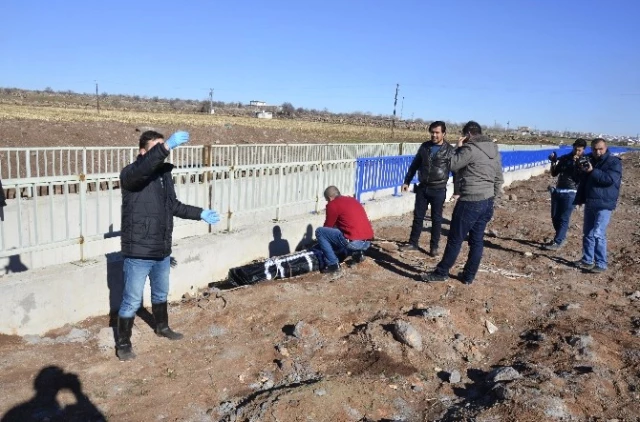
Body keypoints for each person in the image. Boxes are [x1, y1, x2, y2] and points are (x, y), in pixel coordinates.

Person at [116, 130, 221, 361]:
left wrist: (199, 213)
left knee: (161, 293)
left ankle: (162, 327)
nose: (163, 153)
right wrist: (165, 148)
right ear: (142, 152)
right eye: (156, 149)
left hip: (161, 250)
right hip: (139, 252)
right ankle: (123, 343)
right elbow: (144, 168)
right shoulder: (131, 175)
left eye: (163, 148)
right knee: (132, 299)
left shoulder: (163, 176)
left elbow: (172, 205)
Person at [421, 121, 503, 284]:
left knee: (455, 239)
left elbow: (451, 164)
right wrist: (491, 198)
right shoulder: (494, 150)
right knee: (477, 240)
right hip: (486, 201)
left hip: (470, 201)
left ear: (468, 135)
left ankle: (442, 272)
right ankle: (469, 276)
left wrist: (458, 147)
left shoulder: (470, 149)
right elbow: (498, 178)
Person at [399, 121, 455, 257]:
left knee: (436, 219)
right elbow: (415, 164)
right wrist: (407, 181)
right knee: (418, 217)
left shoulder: (449, 150)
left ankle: (434, 247)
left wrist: (458, 191)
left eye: (437, 132)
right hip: (423, 188)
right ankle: (413, 243)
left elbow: (457, 171)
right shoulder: (425, 147)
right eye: (432, 132)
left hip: (438, 189)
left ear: (443, 134)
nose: (434, 135)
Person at [574, 138, 622, 273]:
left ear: (606, 148)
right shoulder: (589, 159)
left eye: (600, 149)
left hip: (604, 203)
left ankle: (601, 263)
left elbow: (609, 180)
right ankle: (587, 260)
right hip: (590, 201)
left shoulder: (613, 162)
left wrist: (591, 171)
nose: (598, 152)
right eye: (595, 149)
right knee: (587, 233)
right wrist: (579, 167)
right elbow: (581, 181)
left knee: (598, 234)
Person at [315, 186, 374, 274]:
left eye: (327, 200)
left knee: (320, 232)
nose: (327, 202)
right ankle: (358, 254)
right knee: (347, 231)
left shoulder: (333, 204)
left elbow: (328, 227)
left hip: (355, 244)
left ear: (330, 198)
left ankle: (333, 265)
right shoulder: (352, 200)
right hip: (367, 242)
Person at [543, 138, 587, 250]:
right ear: (573, 148)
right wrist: (553, 162)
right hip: (558, 191)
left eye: (580, 150)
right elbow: (554, 173)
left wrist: (578, 164)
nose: (577, 152)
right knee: (555, 217)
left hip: (572, 192)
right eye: (576, 149)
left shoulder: (585, 161)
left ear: (583, 150)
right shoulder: (564, 158)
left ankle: (558, 241)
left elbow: (581, 177)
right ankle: (561, 237)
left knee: (564, 217)